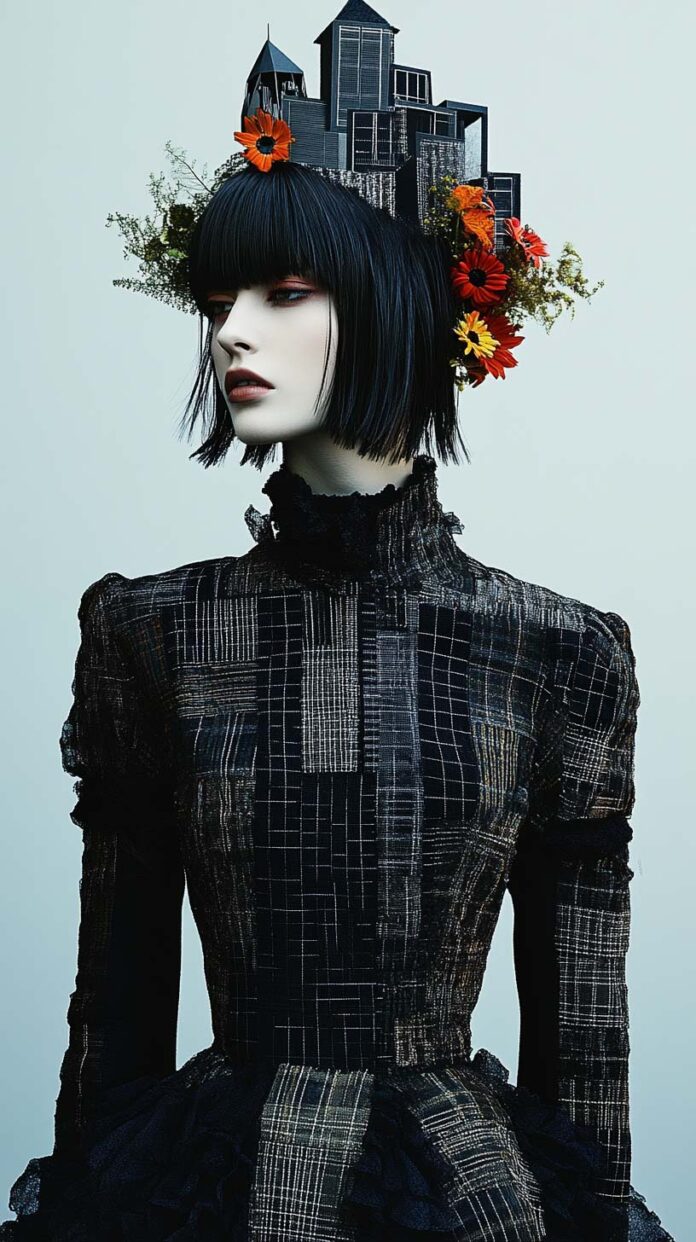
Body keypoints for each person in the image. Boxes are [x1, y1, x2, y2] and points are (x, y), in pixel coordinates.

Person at [0, 161, 674, 1241]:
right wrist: (83, 1197)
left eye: (284, 292)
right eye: (218, 302)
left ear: (399, 309)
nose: (230, 332)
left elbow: (583, 1024)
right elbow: (119, 993)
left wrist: (597, 1212)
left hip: (465, 1191)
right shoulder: (151, 631)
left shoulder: (556, 650)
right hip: (207, 1182)